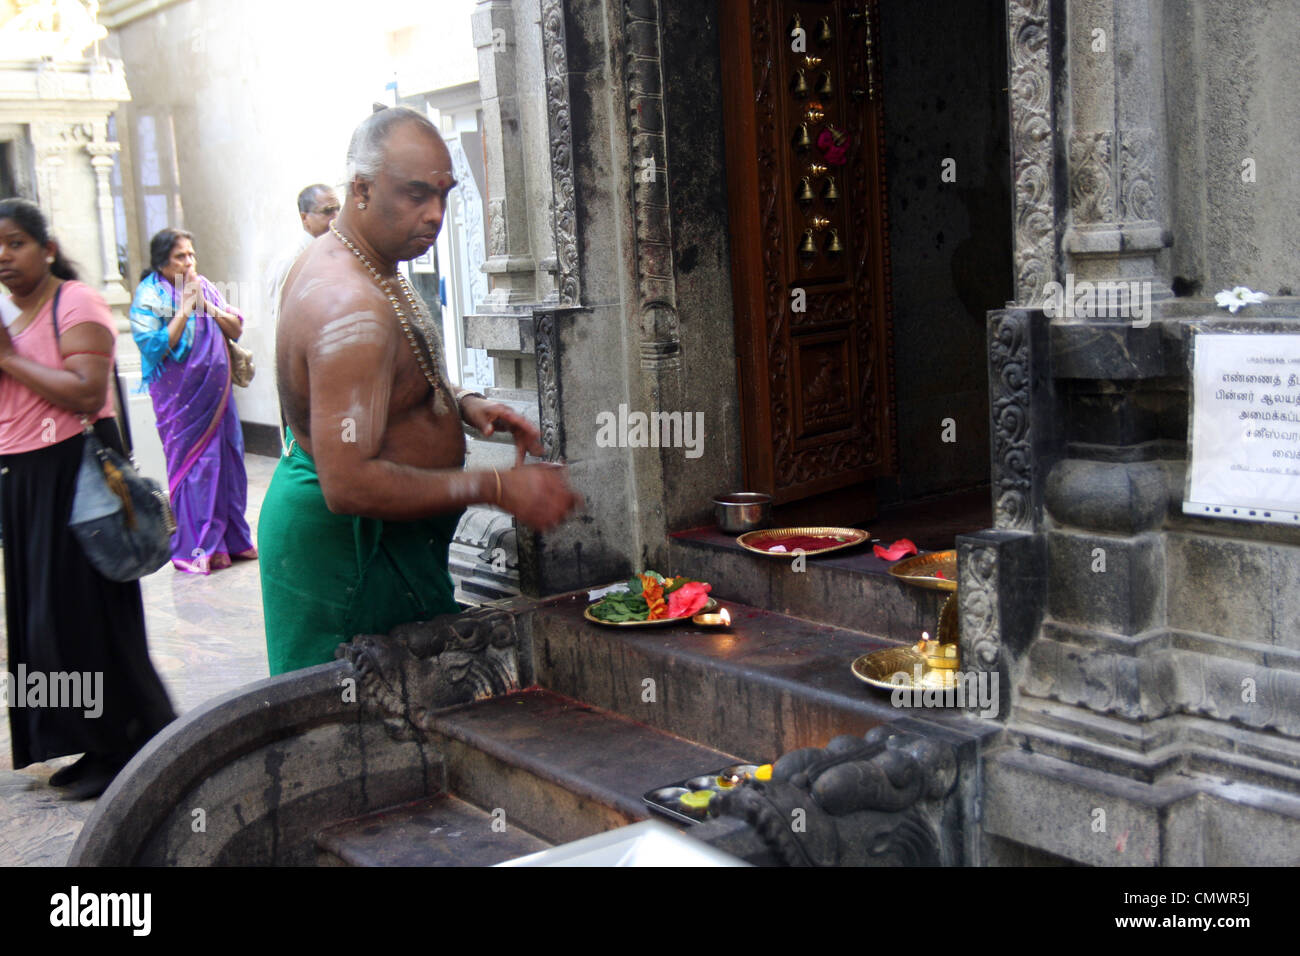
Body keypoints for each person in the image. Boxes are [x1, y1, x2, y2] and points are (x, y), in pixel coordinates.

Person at [261, 106, 582, 674]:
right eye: (415, 195)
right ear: (360, 190)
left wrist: (461, 404)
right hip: (351, 552)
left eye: (444, 194)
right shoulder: (347, 305)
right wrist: (498, 486)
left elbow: (390, 375)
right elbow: (350, 483)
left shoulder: (372, 261)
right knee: (355, 734)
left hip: (385, 540)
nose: (435, 214)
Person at [0, 198, 175, 800]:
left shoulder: (75, 302)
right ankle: (84, 741)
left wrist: (6, 357)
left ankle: (130, 741)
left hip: (74, 478)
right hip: (22, 479)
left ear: (46, 249)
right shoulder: (4, 316)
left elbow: (84, 390)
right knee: (38, 627)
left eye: (16, 242)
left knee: (83, 619)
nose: (3, 255)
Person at [129, 228, 256, 574]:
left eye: (191, 255)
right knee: (197, 469)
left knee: (228, 461)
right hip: (181, 403)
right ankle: (195, 548)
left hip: (218, 398)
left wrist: (206, 306)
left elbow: (235, 328)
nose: (189, 262)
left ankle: (232, 540)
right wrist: (185, 309)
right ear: (162, 263)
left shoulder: (207, 288)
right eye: (180, 257)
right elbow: (154, 347)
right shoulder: (149, 297)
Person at [266, 185, 340, 451]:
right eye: (326, 211)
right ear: (304, 218)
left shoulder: (339, 254)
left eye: (337, 209)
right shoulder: (291, 261)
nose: (335, 217)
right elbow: (283, 328)